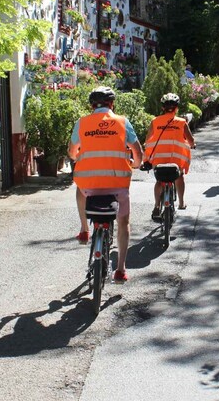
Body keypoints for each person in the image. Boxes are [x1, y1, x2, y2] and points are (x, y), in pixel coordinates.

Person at [68, 86, 143, 283]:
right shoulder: (122, 122)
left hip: (89, 184)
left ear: (92, 106)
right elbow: (137, 152)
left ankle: (84, 230)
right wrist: (136, 164)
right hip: (117, 184)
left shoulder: (82, 123)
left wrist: (78, 156)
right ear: (112, 104)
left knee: (79, 189)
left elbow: (72, 151)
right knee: (123, 223)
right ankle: (120, 270)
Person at [143, 93, 196, 221]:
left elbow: (147, 141)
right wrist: (193, 145)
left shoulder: (155, 122)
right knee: (179, 176)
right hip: (175, 161)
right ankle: (182, 203)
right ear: (176, 108)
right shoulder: (182, 122)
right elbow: (191, 141)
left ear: (163, 108)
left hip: (159, 161)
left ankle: (156, 206)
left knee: (159, 181)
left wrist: (146, 158)